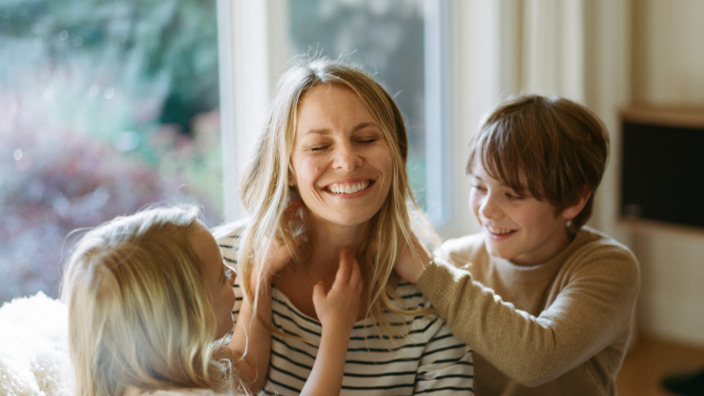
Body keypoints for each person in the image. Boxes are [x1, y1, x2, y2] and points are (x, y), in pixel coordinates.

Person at [215, 58, 475, 395]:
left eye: (366, 139)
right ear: (288, 166)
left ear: (396, 151)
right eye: (319, 146)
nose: (347, 160)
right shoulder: (216, 267)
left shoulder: (434, 293)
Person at [395, 94, 641, 395]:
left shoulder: (609, 266)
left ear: (575, 199)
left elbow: (538, 361)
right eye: (479, 186)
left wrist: (426, 271)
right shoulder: (454, 259)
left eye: (512, 194)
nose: (486, 209)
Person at [61, 204, 363, 396]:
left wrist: (259, 282)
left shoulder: (168, 370)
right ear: (186, 316)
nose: (233, 273)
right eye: (221, 276)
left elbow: (246, 371)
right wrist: (337, 329)